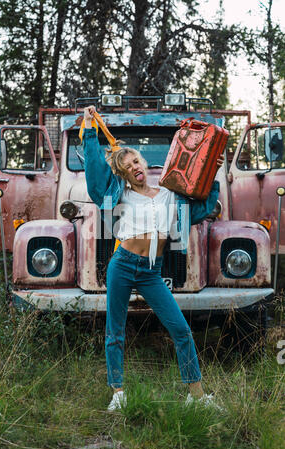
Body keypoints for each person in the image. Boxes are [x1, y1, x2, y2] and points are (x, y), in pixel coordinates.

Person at [82, 105, 224, 411]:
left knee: (181, 330)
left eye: (136, 161)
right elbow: (95, 177)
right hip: (122, 265)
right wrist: (90, 129)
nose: (134, 166)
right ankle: (118, 394)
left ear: (144, 163)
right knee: (115, 330)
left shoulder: (169, 194)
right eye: (127, 166)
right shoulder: (117, 195)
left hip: (151, 272)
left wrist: (213, 172)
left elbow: (200, 208)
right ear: (122, 174)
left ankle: (197, 397)